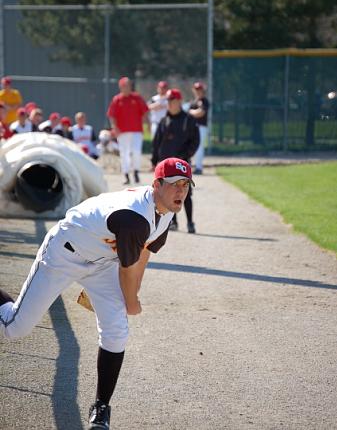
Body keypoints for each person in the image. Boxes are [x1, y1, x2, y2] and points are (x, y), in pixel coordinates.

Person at [0, 157, 195, 430]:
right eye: (175, 184)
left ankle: (101, 407)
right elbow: (127, 269)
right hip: (64, 253)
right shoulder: (134, 216)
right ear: (157, 184)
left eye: (186, 185)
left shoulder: (167, 212)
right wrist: (131, 301)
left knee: (116, 332)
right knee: (14, 328)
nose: (181, 192)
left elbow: (143, 255)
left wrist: (131, 297)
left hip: (103, 262)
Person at [151, 88, 200, 233]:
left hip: (181, 164)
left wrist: (185, 155)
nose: (169, 103)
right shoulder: (164, 120)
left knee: (185, 193)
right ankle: (173, 222)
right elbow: (156, 142)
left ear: (179, 101)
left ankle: (190, 222)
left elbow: (195, 141)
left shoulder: (188, 120)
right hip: (165, 165)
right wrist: (154, 160)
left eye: (172, 100)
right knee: (167, 194)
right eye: (168, 100)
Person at [106, 76, 149, 185]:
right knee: (124, 153)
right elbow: (112, 115)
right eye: (124, 86)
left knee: (136, 151)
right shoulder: (117, 99)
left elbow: (145, 111)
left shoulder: (137, 97)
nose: (127, 87)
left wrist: (147, 124)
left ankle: (136, 172)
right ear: (120, 87)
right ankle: (126, 175)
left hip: (136, 131)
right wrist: (114, 127)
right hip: (122, 131)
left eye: (129, 85)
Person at [188, 81, 210, 175]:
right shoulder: (194, 101)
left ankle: (199, 167)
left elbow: (201, 113)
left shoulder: (204, 101)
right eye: (196, 89)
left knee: (199, 147)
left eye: (199, 89)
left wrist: (191, 112)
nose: (198, 91)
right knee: (191, 146)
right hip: (192, 127)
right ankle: (190, 166)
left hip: (201, 127)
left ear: (203, 90)